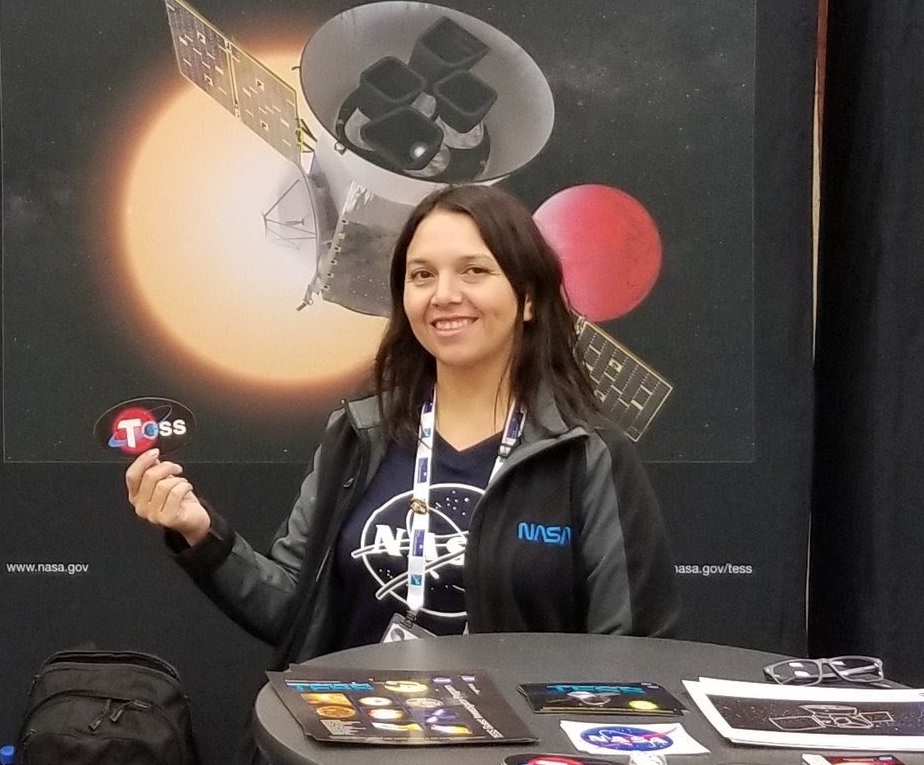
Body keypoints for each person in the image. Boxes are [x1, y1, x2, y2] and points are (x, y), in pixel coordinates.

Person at [125, 182, 677, 658]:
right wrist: (200, 532)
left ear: (528, 298)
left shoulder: (586, 453)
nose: (444, 295)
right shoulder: (362, 433)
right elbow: (293, 607)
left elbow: (629, 649)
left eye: (474, 271)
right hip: (352, 740)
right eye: (422, 275)